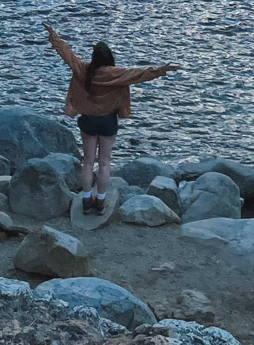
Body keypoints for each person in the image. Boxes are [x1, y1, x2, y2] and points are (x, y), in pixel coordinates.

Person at [44, 23, 178, 213]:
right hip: (108, 121)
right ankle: (100, 200)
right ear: (109, 58)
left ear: (94, 58)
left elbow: (67, 56)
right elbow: (140, 74)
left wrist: (54, 38)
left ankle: (85, 198)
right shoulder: (118, 74)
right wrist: (161, 70)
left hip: (88, 120)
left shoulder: (84, 70)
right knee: (105, 162)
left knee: (88, 162)